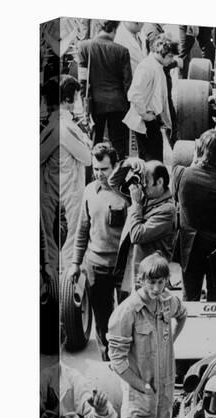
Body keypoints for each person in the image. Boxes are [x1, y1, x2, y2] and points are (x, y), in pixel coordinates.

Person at [107, 252, 187, 418]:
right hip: (140, 396)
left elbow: (183, 313)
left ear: (167, 281)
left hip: (164, 392)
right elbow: (116, 361)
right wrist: (141, 385)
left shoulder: (168, 301)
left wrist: (172, 342)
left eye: (161, 283)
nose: (156, 289)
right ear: (141, 280)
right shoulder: (126, 312)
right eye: (151, 284)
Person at [68, 143, 130, 360]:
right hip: (96, 266)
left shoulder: (127, 193)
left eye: (104, 169)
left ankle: (126, 360)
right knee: (102, 320)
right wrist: (75, 263)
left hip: (124, 267)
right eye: (96, 169)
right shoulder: (88, 191)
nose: (99, 174)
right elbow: (82, 230)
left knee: (125, 318)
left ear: (115, 166)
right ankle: (108, 359)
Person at [172, 129, 216, 302]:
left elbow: (175, 197)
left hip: (189, 246)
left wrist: (196, 160)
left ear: (198, 151)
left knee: (189, 298)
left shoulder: (179, 174)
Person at [40, 75, 92, 271]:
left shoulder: (55, 125)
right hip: (68, 188)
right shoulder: (63, 127)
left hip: (56, 188)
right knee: (70, 239)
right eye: (77, 96)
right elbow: (87, 158)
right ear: (67, 100)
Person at [114, 158, 177, 294]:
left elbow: (137, 235)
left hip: (150, 281)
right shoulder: (147, 196)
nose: (142, 186)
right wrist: (127, 164)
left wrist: (136, 204)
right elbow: (114, 184)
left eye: (146, 182)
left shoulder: (167, 210)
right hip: (130, 273)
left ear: (159, 182)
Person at [78, 20, 132, 159]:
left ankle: (95, 174)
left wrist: (85, 105)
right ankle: (118, 176)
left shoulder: (84, 47)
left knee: (95, 142)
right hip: (118, 104)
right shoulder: (122, 51)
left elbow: (82, 80)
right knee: (118, 144)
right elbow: (128, 83)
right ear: (114, 30)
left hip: (95, 104)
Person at [124, 34, 178, 162]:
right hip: (146, 121)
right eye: (170, 56)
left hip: (152, 119)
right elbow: (134, 93)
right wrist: (145, 115)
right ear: (161, 52)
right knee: (153, 160)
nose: (171, 60)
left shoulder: (156, 66)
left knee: (153, 158)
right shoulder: (147, 67)